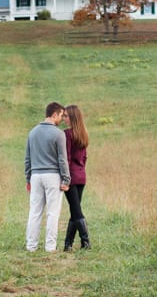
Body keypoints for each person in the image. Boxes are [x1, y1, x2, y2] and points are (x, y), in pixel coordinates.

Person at [25, 102, 70, 252]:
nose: (62, 119)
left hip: (36, 176)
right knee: (52, 212)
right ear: (54, 114)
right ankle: (50, 246)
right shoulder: (59, 134)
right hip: (52, 176)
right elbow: (62, 159)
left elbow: (27, 159)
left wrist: (28, 178)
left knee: (35, 212)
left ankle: (31, 246)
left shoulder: (32, 132)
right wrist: (66, 179)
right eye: (61, 115)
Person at [62, 104, 90, 251]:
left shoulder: (67, 134)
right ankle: (68, 244)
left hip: (71, 177)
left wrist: (64, 178)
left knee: (76, 211)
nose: (64, 119)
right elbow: (84, 157)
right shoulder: (84, 133)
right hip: (81, 175)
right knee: (75, 210)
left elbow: (65, 157)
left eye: (66, 116)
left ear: (72, 117)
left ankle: (86, 242)